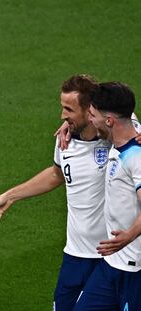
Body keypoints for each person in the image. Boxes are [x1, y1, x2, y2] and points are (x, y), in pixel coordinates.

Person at [0, 74, 111, 311]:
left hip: (110, 255)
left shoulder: (115, 140)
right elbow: (56, 174)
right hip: (74, 253)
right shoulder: (65, 142)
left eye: (69, 109)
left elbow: (125, 109)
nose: (62, 116)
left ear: (91, 109)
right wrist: (10, 196)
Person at [73, 82, 141, 310]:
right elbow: (122, 104)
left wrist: (128, 236)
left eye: (92, 115)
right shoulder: (124, 130)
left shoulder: (135, 157)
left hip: (134, 269)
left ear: (110, 121)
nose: (90, 120)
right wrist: (68, 125)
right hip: (111, 264)